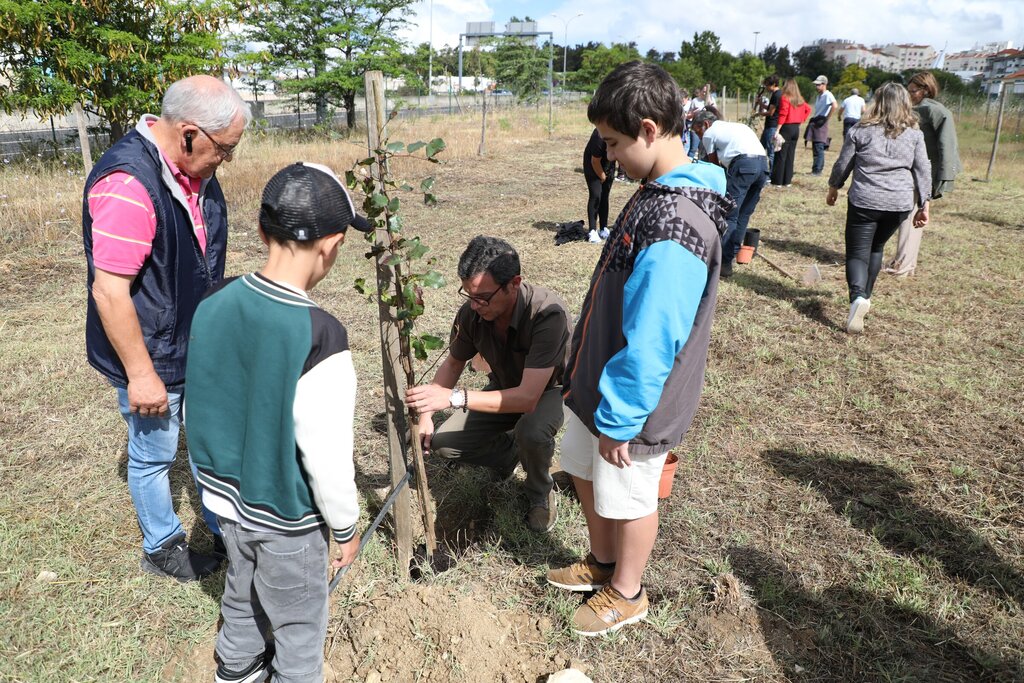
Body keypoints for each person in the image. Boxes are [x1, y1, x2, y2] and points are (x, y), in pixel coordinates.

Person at [545, 61, 732, 636]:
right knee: (580, 464)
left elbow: (654, 334)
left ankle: (628, 590)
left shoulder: (678, 222)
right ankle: (602, 562)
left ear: (650, 129)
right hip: (600, 381)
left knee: (628, 493)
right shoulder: (655, 191)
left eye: (614, 143)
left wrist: (622, 418)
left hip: (636, 399)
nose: (609, 157)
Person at [185, 162, 371, 683]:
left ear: (263, 231)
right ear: (332, 245)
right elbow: (326, 454)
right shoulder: (319, 335)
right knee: (299, 623)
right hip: (287, 520)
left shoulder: (214, 299)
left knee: (241, 595)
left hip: (226, 504)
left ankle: (237, 670)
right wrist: (346, 526)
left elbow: (197, 402)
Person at [82, 75, 251, 581]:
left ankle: (226, 529)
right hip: (153, 355)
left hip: (194, 344)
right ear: (190, 134)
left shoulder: (193, 171)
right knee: (154, 453)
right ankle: (162, 546)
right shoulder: (130, 186)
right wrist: (141, 374)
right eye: (224, 149)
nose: (226, 160)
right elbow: (110, 292)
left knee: (208, 442)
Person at [405, 236, 571, 533]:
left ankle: (539, 492)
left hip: (551, 391)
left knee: (531, 430)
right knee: (444, 444)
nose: (475, 304)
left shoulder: (548, 314)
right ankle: (509, 454)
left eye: (483, 296)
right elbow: (454, 363)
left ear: (514, 283)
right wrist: (427, 415)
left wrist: (454, 398)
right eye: (469, 295)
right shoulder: (472, 313)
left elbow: (528, 398)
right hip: (504, 387)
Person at [826, 83, 931, 334]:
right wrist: (924, 204)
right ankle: (866, 298)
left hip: (865, 200)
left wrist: (834, 186)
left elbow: (844, 163)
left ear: (877, 101)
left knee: (856, 253)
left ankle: (858, 298)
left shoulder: (860, 130)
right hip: (899, 204)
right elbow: (923, 169)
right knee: (877, 247)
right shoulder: (914, 133)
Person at [885, 71, 961, 278]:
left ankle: (903, 266)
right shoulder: (913, 109)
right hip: (907, 170)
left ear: (925, 89)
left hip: (921, 172)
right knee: (908, 217)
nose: (909, 94)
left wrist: (943, 176)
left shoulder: (935, 112)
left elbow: (947, 146)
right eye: (907, 91)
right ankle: (904, 262)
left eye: (913, 91)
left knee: (912, 218)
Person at [691, 109, 768, 278]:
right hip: (763, 166)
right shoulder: (737, 127)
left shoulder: (709, 133)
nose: (698, 136)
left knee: (730, 214)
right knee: (743, 215)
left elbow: (715, 168)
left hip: (744, 165)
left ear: (705, 124)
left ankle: (723, 263)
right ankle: (731, 256)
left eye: (697, 131)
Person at [771, 78, 812, 187]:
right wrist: (801, 119)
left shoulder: (785, 98)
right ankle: (787, 181)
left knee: (781, 154)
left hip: (786, 127)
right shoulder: (800, 99)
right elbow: (808, 109)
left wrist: (777, 129)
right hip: (795, 128)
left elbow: (783, 114)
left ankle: (778, 181)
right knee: (790, 155)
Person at [583, 128, 615, 243]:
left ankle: (603, 228)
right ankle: (592, 230)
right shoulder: (599, 135)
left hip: (608, 163)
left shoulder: (619, 131)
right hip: (593, 164)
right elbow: (595, 161)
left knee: (605, 195)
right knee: (596, 195)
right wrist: (602, 176)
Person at [805, 75, 837, 175]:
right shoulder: (819, 96)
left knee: (819, 146)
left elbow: (834, 105)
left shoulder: (828, 94)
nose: (817, 87)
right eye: (816, 85)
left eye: (819, 85)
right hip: (816, 120)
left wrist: (827, 118)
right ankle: (815, 169)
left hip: (821, 121)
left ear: (824, 84)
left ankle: (818, 170)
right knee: (815, 146)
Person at [757, 75, 782, 171]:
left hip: (772, 126)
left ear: (774, 84)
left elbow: (771, 112)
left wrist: (759, 114)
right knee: (760, 147)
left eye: (767, 85)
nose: (766, 88)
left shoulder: (776, 95)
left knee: (770, 152)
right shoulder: (776, 94)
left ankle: (771, 174)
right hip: (769, 126)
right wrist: (760, 103)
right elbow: (770, 108)